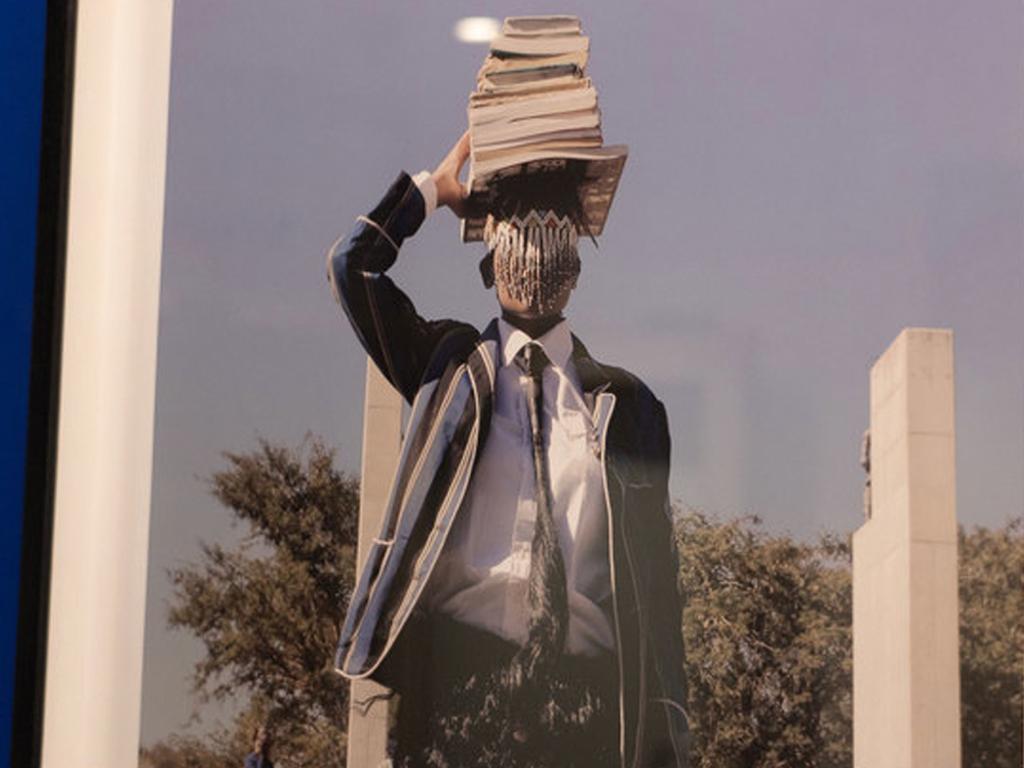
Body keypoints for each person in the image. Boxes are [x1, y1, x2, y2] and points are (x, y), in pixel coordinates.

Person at [328, 132, 689, 768]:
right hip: (458, 701)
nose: (535, 237)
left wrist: (667, 746)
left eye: (554, 221)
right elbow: (352, 268)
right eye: (517, 218)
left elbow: (658, 594)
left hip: (587, 712)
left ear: (577, 256)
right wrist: (430, 194)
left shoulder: (630, 410)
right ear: (489, 252)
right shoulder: (450, 370)